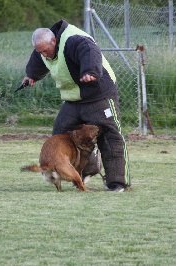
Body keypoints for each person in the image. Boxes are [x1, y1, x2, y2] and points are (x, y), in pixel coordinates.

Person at [22, 20, 131, 192]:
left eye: (45, 50)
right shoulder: (45, 47)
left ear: (54, 41)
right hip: (74, 99)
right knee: (60, 135)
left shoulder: (74, 39)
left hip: (99, 94)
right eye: (40, 51)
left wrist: (90, 71)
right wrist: (31, 75)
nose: (44, 54)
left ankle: (117, 183)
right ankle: (84, 171)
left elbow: (90, 52)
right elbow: (38, 59)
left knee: (110, 137)